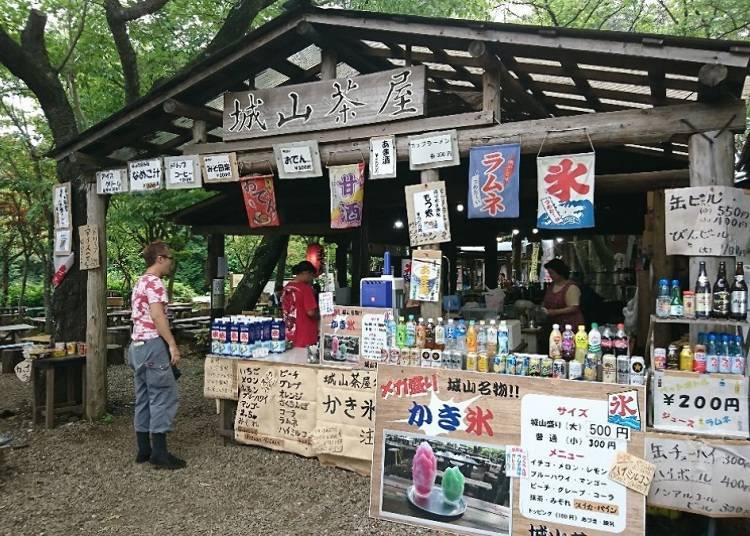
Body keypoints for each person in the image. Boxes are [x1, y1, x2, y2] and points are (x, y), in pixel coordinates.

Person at [128, 241, 185, 470]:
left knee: (143, 396)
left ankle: (144, 448)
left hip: (136, 346)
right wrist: (172, 345)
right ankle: (160, 453)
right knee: (163, 395)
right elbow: (157, 316)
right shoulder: (155, 283)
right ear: (159, 258)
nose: (171, 262)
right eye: (169, 257)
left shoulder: (140, 282)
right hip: (152, 344)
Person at [282, 261, 319, 348]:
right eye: (311, 276)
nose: (311, 279)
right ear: (306, 273)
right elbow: (311, 312)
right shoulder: (306, 289)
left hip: (289, 331)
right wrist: (320, 315)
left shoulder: (287, 287)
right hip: (305, 334)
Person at [542, 258, 585, 328]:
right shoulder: (551, 286)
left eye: (552, 273)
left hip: (571, 325)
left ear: (560, 272)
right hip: (556, 325)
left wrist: (554, 312)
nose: (550, 275)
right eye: (549, 273)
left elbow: (574, 308)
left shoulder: (571, 287)